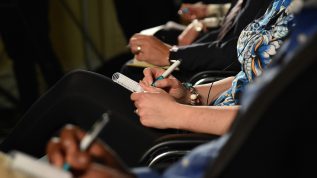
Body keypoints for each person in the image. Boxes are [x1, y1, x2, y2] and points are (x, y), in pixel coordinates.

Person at [45, 3, 317, 176]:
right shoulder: (295, 10)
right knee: (83, 86)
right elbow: (248, 76)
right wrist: (189, 95)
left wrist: (179, 114)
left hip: (198, 141)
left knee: (78, 87)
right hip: (200, 123)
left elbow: (275, 120)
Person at [122, 0, 273, 82]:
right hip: (218, 50)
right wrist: (205, 17)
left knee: (131, 72)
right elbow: (236, 21)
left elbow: (239, 51)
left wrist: (172, 54)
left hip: (222, 71)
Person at [0, 0, 64, 113]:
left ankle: (64, 104)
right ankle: (30, 112)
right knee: (21, 60)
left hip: (31, 6)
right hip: (6, 8)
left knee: (42, 51)